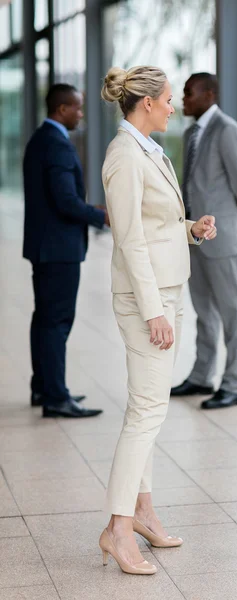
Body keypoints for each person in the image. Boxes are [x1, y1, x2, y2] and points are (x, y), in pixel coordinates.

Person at [98, 65, 217, 575]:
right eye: (169, 98)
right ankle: (118, 529)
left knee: (147, 411)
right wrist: (153, 312)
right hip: (149, 300)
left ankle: (142, 512)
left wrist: (191, 228)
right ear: (146, 102)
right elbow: (127, 239)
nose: (174, 105)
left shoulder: (147, 149)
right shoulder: (124, 155)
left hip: (168, 291)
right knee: (147, 412)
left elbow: (154, 223)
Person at [171, 73, 237, 410]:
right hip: (194, 237)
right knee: (203, 311)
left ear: (209, 94)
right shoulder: (192, 132)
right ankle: (201, 376)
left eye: (189, 93)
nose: (183, 100)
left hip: (223, 237)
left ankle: (234, 384)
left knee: (233, 312)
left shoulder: (227, 130)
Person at [23, 83, 108, 419]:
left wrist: (91, 210)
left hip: (46, 246)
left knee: (43, 320)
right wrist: (102, 216)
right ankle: (56, 397)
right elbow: (65, 202)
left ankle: (44, 386)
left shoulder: (41, 139)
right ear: (62, 109)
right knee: (56, 322)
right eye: (77, 107)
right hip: (58, 250)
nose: (81, 113)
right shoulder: (57, 144)